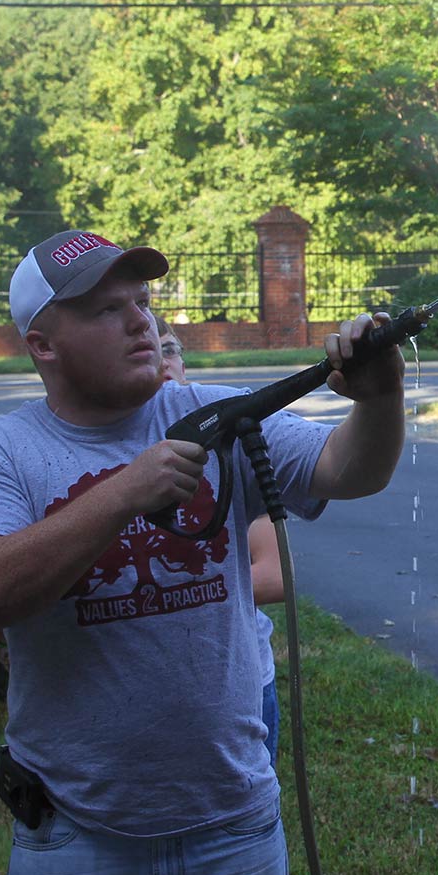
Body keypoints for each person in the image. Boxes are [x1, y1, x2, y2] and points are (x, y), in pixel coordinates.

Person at [0, 230, 403, 875]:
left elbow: (348, 471)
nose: (141, 323)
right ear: (43, 345)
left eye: (143, 301)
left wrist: (379, 400)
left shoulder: (219, 417)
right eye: (105, 310)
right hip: (75, 830)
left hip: (234, 822)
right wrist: (125, 489)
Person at [153, 313, 283, 763]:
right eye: (150, 350)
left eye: (169, 349)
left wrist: (183, 592)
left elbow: (276, 573)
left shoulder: (224, 436)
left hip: (240, 688)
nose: (163, 361)